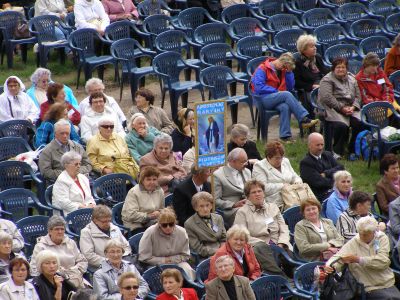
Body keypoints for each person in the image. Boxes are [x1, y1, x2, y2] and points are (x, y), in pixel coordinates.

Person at [325, 216, 400, 299]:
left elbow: (383, 262)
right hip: (367, 285)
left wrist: (358, 259)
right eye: (360, 233)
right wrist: (330, 266)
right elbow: (338, 257)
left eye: (365, 235)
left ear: (374, 232)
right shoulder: (354, 242)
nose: (361, 236)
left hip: (386, 281)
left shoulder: (381, 238)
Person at [251, 52, 318, 142]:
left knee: (285, 107)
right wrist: (276, 91)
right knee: (286, 94)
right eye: (283, 67)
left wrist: (289, 72)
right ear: (280, 61)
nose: (283, 69)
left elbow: (290, 87)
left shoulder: (283, 70)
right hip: (262, 99)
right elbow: (259, 87)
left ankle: (285, 136)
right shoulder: (262, 68)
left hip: (275, 98)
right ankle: (303, 118)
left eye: (285, 68)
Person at [234, 180, 292, 278]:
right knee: (260, 249)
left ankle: (298, 280)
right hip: (259, 246)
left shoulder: (273, 207)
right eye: (253, 192)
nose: (257, 194)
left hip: (278, 242)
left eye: (259, 191)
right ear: (248, 196)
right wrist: (265, 244)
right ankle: (281, 278)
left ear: (264, 193)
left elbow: (284, 228)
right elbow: (242, 235)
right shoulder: (242, 212)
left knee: (291, 260)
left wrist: (282, 242)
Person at [318, 57, 365, 157]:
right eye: (338, 67)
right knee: (341, 126)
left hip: (350, 108)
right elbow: (327, 98)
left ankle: (352, 148)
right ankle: (337, 151)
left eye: (343, 67)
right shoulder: (327, 79)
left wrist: (353, 107)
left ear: (346, 68)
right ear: (333, 68)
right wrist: (341, 108)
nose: (341, 69)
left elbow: (358, 96)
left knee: (360, 123)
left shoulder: (352, 78)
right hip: (333, 109)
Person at [30, 216, 88, 288]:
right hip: (52, 282)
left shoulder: (71, 243)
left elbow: (83, 261)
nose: (60, 232)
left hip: (75, 278)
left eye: (62, 229)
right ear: (49, 231)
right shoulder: (41, 246)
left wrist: (75, 270)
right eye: (57, 229)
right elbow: (34, 269)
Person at [138, 208, 195, 280]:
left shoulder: (182, 232)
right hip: (156, 265)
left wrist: (171, 260)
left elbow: (186, 255)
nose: (168, 227)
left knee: (188, 270)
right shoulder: (150, 232)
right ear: (159, 224)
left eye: (171, 224)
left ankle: (191, 287)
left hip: (177, 263)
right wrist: (164, 260)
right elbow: (144, 257)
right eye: (164, 225)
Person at [252, 140, 302, 210]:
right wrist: (282, 186)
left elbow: (294, 176)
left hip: (292, 197)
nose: (280, 160)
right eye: (277, 158)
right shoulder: (259, 166)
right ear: (268, 157)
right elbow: (262, 188)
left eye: (281, 157)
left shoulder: (285, 161)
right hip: (274, 203)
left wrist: (297, 182)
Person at [38, 119, 92, 183]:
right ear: (55, 134)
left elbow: (88, 165)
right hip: (60, 182)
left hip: (80, 180)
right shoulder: (47, 150)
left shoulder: (77, 147)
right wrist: (67, 174)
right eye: (62, 133)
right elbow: (45, 172)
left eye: (67, 133)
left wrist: (76, 171)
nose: (65, 136)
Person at [80, 205, 131, 270]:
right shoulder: (86, 232)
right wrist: (110, 262)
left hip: (121, 263)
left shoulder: (115, 228)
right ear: (95, 220)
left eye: (109, 221)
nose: (107, 223)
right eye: (104, 222)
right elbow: (88, 256)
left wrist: (121, 258)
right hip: (101, 267)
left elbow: (126, 246)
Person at [300, 132, 344, 201]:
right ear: (309, 145)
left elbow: (341, 168)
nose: (320, 148)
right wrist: (338, 182)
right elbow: (319, 182)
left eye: (322, 144)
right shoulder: (305, 163)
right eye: (317, 145)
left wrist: (326, 173)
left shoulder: (327, 155)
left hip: (335, 190)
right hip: (321, 196)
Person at [213, 148, 251, 227]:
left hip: (248, 204)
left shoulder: (247, 171)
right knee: (246, 213)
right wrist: (234, 204)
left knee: (267, 208)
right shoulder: (218, 175)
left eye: (246, 161)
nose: (246, 164)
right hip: (230, 210)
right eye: (243, 162)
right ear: (233, 161)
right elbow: (215, 200)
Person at [184, 192, 227, 259]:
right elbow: (197, 248)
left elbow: (224, 238)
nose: (205, 209)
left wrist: (223, 250)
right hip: (205, 255)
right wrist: (218, 252)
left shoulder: (218, 218)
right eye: (201, 206)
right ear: (195, 208)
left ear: (211, 206)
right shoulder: (189, 224)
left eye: (207, 205)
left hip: (223, 251)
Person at [121, 166, 165, 232]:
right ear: (142, 180)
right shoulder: (133, 192)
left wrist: (159, 212)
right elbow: (131, 215)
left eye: (154, 179)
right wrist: (149, 216)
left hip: (153, 222)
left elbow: (162, 209)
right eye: (148, 179)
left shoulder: (159, 190)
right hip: (135, 224)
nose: (152, 182)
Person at [52, 151, 96, 216]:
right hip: (70, 215)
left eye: (79, 164)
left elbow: (89, 197)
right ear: (66, 165)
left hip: (87, 212)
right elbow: (63, 202)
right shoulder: (62, 180)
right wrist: (82, 207)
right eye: (76, 164)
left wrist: (92, 204)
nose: (79, 166)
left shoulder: (83, 178)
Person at [294, 34, 328, 116]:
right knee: (323, 98)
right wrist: (312, 86)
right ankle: (325, 118)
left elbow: (325, 73)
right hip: (307, 90)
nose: (315, 48)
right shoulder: (298, 62)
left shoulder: (317, 57)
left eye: (315, 46)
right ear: (304, 49)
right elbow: (297, 83)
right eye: (311, 46)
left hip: (321, 84)